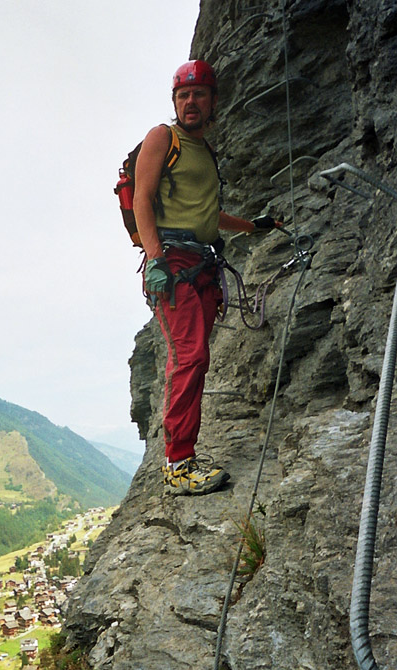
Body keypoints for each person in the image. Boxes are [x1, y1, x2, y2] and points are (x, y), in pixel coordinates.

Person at [133, 59, 280, 496]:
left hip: (199, 264)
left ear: (213, 101)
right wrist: (155, 258)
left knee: (196, 357)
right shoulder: (164, 137)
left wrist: (254, 226)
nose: (190, 101)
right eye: (183, 95)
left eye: (198, 94)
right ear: (174, 102)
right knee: (190, 355)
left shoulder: (204, 153)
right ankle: (178, 465)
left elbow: (209, 215)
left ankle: (184, 456)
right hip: (173, 263)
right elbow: (142, 198)